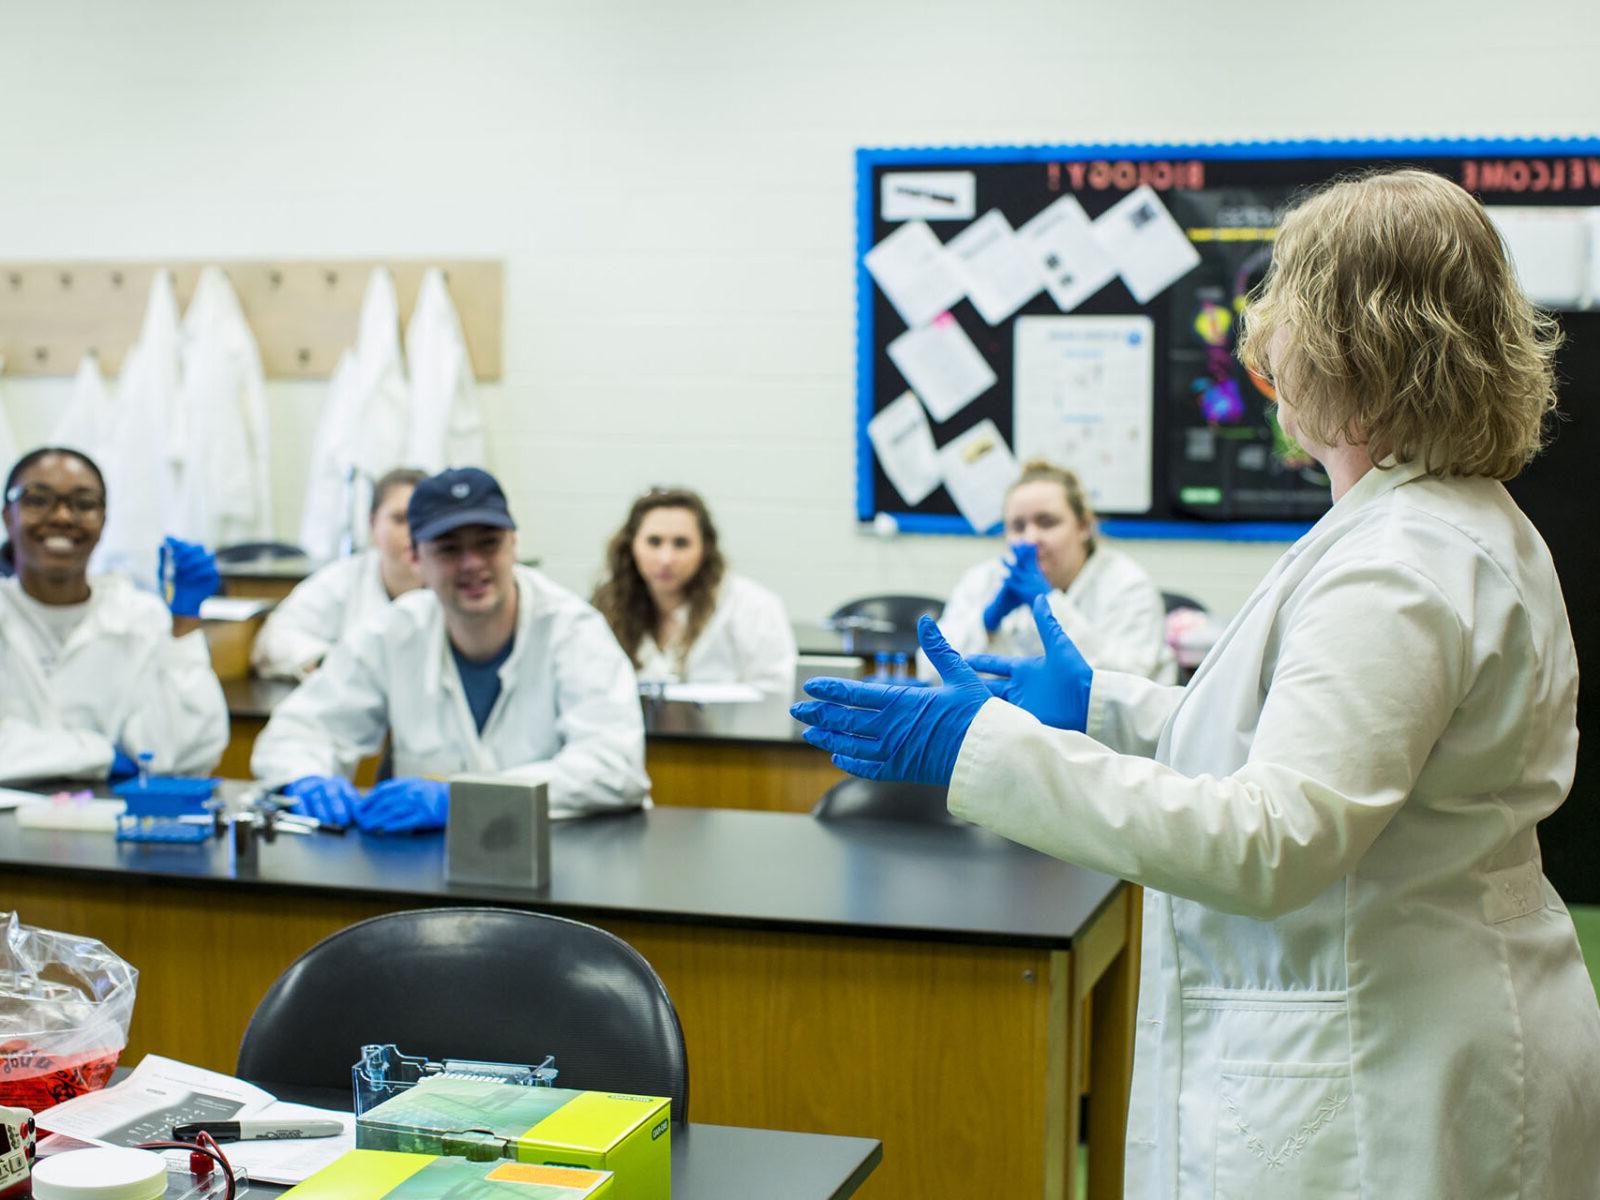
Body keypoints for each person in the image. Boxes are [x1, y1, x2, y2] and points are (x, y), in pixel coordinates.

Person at [793, 169, 1600, 1196]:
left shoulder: (1402, 559)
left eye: (1283, 318)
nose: (1262, 354)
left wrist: (986, 754)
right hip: (1409, 1020)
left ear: (1345, 343)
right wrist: (1102, 709)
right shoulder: (1428, 526)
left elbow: (1271, 838)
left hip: (1390, 1068)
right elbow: (1322, 747)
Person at [251, 466, 650, 831]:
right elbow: (298, 731)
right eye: (449, 549)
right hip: (431, 869)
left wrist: (463, 799)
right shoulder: (392, 633)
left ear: (514, 545)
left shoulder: (573, 630)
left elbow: (615, 766)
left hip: (564, 856)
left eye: (489, 544)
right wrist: (304, 777)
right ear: (416, 559)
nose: (472, 564)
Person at [0, 447, 226, 783]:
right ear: (8, 516)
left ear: (103, 520)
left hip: (111, 823)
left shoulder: (139, 618)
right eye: (37, 499)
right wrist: (101, 753)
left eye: (84, 503)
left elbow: (185, 752)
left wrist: (184, 626)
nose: (62, 516)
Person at [929, 459, 1175, 684]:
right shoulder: (984, 580)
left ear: (1083, 526)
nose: (1030, 538)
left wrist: (1050, 605)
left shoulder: (1128, 586)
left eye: (1047, 522)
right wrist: (987, 622)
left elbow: (1128, 687)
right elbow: (928, 671)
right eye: (1017, 526)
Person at [592, 487, 796, 696]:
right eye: (654, 542)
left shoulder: (752, 605)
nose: (666, 559)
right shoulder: (609, 603)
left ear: (704, 548)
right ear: (631, 545)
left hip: (726, 728)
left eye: (681, 543)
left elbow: (775, 692)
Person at [250, 467, 427, 679]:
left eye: (423, 520)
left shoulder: (455, 585)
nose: (412, 533)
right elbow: (275, 636)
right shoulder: (343, 580)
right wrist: (332, 665)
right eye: (400, 519)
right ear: (372, 524)